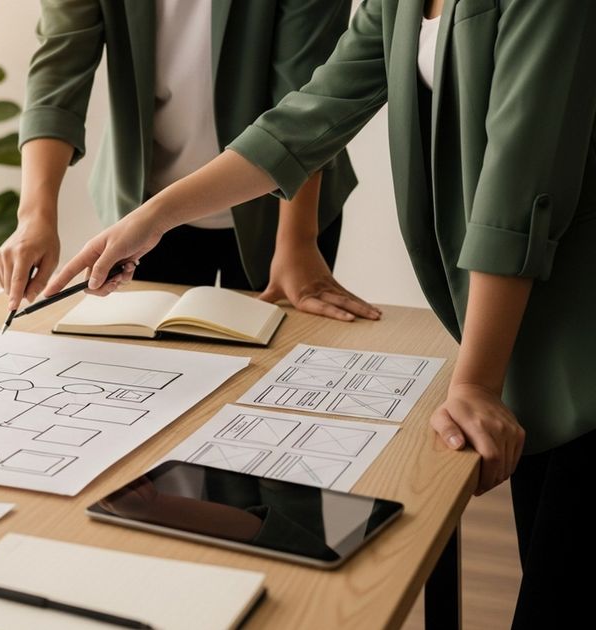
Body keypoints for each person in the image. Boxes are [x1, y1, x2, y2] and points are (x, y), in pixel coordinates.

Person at [46, 0, 595, 624]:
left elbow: (518, 183)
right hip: (537, 332)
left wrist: (474, 380)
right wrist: (152, 219)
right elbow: (307, 117)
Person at [0, 0, 379, 322]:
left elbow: (309, 101)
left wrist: (297, 241)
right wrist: (34, 216)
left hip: (285, 210)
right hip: (142, 203)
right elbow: (58, 71)